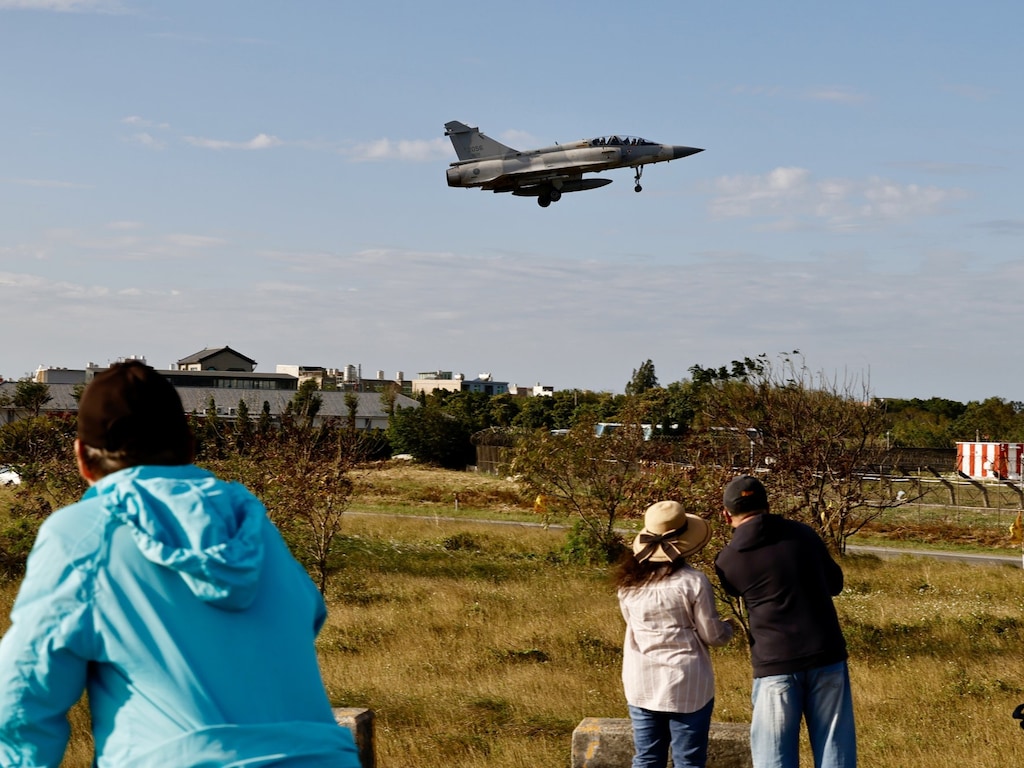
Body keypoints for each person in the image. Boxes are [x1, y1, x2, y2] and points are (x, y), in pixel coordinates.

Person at [0, 361, 361, 767]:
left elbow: (23, 694)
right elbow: (308, 613)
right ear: (190, 446)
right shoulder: (254, 527)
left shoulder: (84, 534)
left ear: (82, 456)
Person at [714, 475, 856, 768]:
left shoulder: (728, 559)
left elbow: (734, 589)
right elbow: (835, 583)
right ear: (768, 505)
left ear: (726, 515)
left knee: (774, 757)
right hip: (826, 652)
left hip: (775, 661)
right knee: (835, 749)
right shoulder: (804, 534)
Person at [616, 500, 735, 768]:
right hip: (687, 685)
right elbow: (712, 635)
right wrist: (729, 627)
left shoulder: (627, 585)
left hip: (641, 683)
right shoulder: (693, 582)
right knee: (689, 761)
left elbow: (631, 625)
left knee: (646, 758)